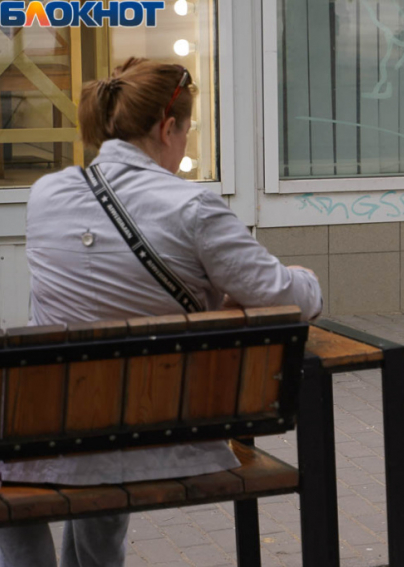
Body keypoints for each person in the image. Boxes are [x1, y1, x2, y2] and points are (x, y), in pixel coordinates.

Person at [0, 58, 322, 567]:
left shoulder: (46, 194)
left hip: (46, 435)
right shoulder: (193, 207)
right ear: (167, 127)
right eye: (187, 132)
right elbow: (287, 296)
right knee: (109, 416)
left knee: (36, 435)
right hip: (164, 436)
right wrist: (303, 278)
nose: (185, 145)